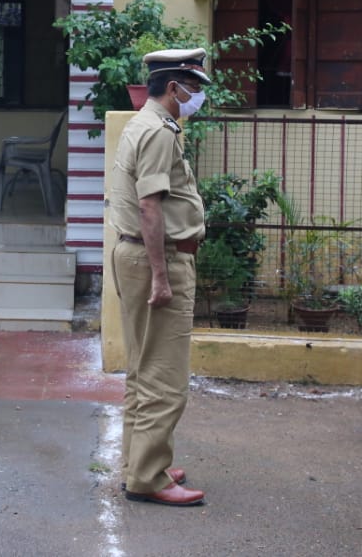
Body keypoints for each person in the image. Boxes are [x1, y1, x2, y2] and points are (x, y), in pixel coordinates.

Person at [106, 48, 210, 508]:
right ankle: (148, 477)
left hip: (135, 255)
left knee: (142, 369)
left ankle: (139, 464)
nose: (198, 96)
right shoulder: (158, 132)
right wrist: (162, 277)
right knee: (165, 379)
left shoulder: (144, 124)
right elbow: (150, 206)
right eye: (195, 88)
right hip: (157, 258)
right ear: (174, 88)